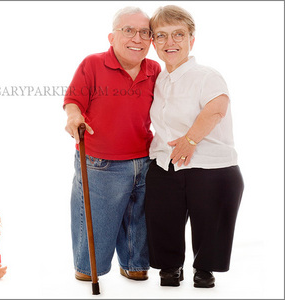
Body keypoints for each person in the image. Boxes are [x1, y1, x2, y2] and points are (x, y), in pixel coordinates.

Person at [145, 5, 244, 288]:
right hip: (166, 163)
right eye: (161, 36)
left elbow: (216, 108)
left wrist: (190, 141)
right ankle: (170, 267)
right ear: (153, 43)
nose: (170, 42)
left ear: (192, 39)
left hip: (211, 164)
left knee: (210, 220)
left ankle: (205, 269)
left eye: (178, 34)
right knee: (163, 217)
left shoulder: (206, 75)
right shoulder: (159, 78)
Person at [63, 7, 161, 281]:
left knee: (138, 223)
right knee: (98, 228)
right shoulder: (92, 64)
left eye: (145, 32)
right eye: (128, 30)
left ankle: (133, 263)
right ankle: (87, 268)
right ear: (112, 37)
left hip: (144, 159)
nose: (137, 38)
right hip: (100, 163)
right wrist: (74, 118)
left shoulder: (154, 69)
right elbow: (73, 102)